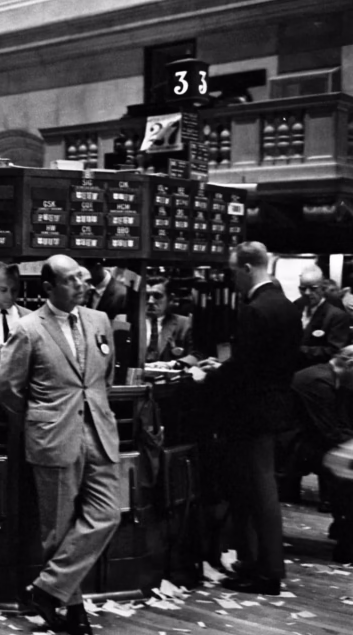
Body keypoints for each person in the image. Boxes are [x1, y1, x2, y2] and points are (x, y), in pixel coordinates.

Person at [0, 254, 120, 635]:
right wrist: (41, 419)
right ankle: (74, 608)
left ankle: (47, 589)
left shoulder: (99, 321)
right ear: (48, 288)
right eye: (71, 281)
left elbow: (106, 376)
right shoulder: (28, 329)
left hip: (99, 432)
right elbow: (9, 390)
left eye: (83, 278)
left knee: (108, 514)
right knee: (58, 528)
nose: (82, 285)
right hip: (53, 436)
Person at [197, 241, 301, 595]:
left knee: (257, 492)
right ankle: (255, 563)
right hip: (274, 408)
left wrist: (209, 375)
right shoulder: (286, 306)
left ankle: (267, 570)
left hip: (249, 413)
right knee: (259, 489)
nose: (231, 279)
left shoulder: (254, 310)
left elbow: (245, 370)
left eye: (231, 271)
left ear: (246, 268)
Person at [290, 345, 353, 561]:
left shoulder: (334, 378)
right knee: (344, 468)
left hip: (311, 439)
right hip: (290, 444)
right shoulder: (318, 381)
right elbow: (330, 431)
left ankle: (345, 528)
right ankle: (347, 536)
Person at [295, 265, 350, 368]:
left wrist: (298, 350)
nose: (307, 293)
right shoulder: (296, 306)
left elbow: (334, 351)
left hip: (318, 369)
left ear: (322, 289)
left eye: (313, 288)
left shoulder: (337, 316)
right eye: (303, 288)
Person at [143, 275, 202, 366]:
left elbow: (197, 355)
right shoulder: (132, 323)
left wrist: (171, 365)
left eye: (157, 296)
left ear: (170, 298)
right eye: (146, 296)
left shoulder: (184, 324)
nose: (150, 301)